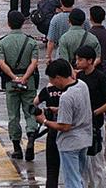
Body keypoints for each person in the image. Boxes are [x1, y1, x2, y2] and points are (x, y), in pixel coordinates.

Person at [35, 59, 92, 188]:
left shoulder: (66, 97)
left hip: (70, 144)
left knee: (72, 181)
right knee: (80, 177)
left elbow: (64, 126)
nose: (52, 84)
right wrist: (60, 110)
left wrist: (44, 121)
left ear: (58, 77)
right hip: (84, 139)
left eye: (52, 80)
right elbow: (78, 108)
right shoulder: (82, 85)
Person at [0, 10, 40, 161]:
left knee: (13, 116)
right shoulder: (31, 42)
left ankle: (16, 148)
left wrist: (14, 77)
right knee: (30, 112)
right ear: (23, 23)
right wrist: (25, 77)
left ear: (8, 24)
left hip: (11, 82)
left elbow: (1, 63)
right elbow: (34, 63)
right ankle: (32, 139)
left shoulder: (2, 42)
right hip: (29, 82)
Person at [75, 45, 106, 188]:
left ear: (90, 61)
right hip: (81, 126)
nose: (77, 63)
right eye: (77, 60)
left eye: (80, 60)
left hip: (96, 126)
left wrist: (94, 112)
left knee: (98, 162)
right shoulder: (79, 77)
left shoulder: (100, 77)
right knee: (84, 163)